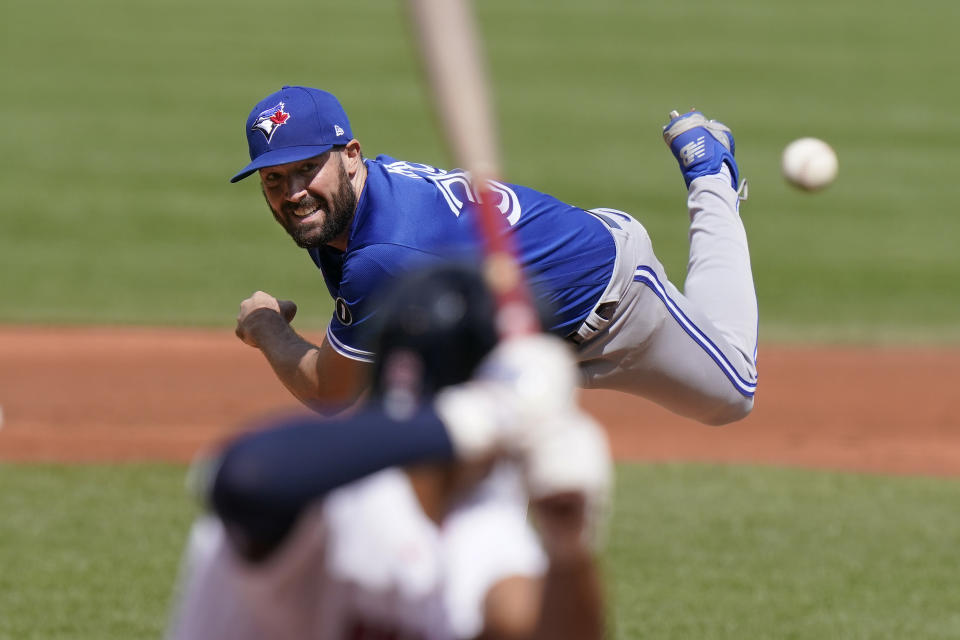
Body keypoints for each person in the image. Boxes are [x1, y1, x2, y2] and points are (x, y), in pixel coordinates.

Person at [232, 85, 758, 425]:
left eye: (306, 168)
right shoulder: (352, 204)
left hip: (611, 300)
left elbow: (330, 390)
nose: (293, 191)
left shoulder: (382, 253)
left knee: (734, 395)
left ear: (350, 157)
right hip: (505, 337)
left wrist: (265, 327)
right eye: (274, 178)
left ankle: (709, 174)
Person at [166, 264, 611, 640]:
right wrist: (480, 418)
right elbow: (246, 479)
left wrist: (568, 546)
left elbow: (525, 621)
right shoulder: (329, 487)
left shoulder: (480, 507)